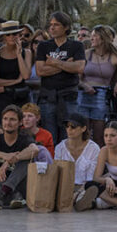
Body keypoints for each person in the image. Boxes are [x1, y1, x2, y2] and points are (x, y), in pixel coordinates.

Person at [35, 12, 86, 142]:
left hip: (69, 96)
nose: (52, 28)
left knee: (70, 134)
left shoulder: (76, 45)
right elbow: (40, 70)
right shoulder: (44, 46)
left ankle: (67, 162)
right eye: (50, 25)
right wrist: (66, 64)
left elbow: (79, 68)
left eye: (56, 25)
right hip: (48, 97)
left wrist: (55, 62)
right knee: (49, 134)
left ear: (66, 27)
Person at [54, 112, 101, 211]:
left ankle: (81, 199)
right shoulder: (60, 148)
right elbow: (57, 173)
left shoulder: (93, 148)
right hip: (65, 187)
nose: (69, 130)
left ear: (83, 128)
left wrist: (78, 192)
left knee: (93, 187)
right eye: (67, 126)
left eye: (73, 126)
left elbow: (92, 176)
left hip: (84, 186)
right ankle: (87, 202)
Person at [0, 22, 32, 122]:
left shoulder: (26, 52)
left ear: (19, 35)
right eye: (8, 34)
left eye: (14, 34)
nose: (11, 37)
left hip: (20, 96)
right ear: (4, 37)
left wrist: (19, 54)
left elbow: (26, 75)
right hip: (2, 98)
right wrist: (16, 81)